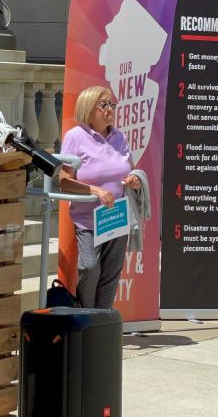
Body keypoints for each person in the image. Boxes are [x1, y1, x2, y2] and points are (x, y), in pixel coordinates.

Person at [58, 85, 141, 309]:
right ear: (88, 108)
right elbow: (64, 181)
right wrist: (95, 190)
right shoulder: (76, 137)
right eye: (103, 104)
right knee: (90, 267)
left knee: (111, 273)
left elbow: (129, 169)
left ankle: (102, 322)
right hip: (88, 220)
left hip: (117, 216)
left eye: (111, 104)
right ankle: (87, 315)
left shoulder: (119, 137)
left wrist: (134, 178)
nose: (109, 109)